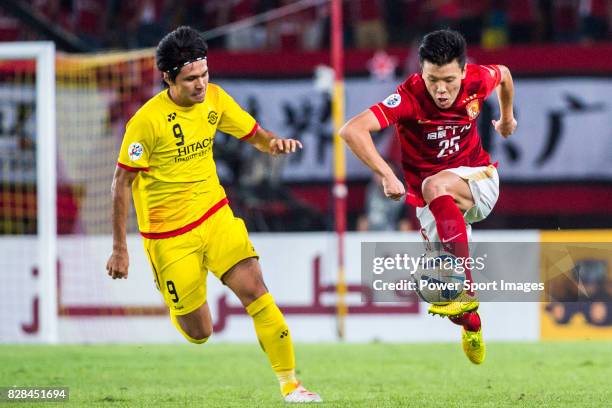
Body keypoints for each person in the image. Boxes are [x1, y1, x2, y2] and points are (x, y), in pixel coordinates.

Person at [105, 26, 321, 403]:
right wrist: (120, 249)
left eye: (204, 75)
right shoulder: (146, 123)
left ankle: (291, 385)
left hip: (214, 214)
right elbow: (121, 183)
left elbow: (255, 134)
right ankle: (175, 298)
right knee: (200, 331)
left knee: (256, 288)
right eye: (191, 79)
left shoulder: (216, 100)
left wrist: (275, 144)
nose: (201, 84)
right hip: (168, 239)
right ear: (168, 78)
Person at [339, 29, 516, 365]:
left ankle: (466, 287)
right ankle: (472, 325)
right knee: (444, 295)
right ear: (422, 72)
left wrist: (506, 119)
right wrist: (386, 174)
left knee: (434, 186)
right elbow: (352, 130)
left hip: (478, 180)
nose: (441, 89)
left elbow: (505, 75)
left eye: (449, 79)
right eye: (433, 79)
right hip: (436, 206)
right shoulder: (408, 98)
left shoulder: (478, 79)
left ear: (463, 71)